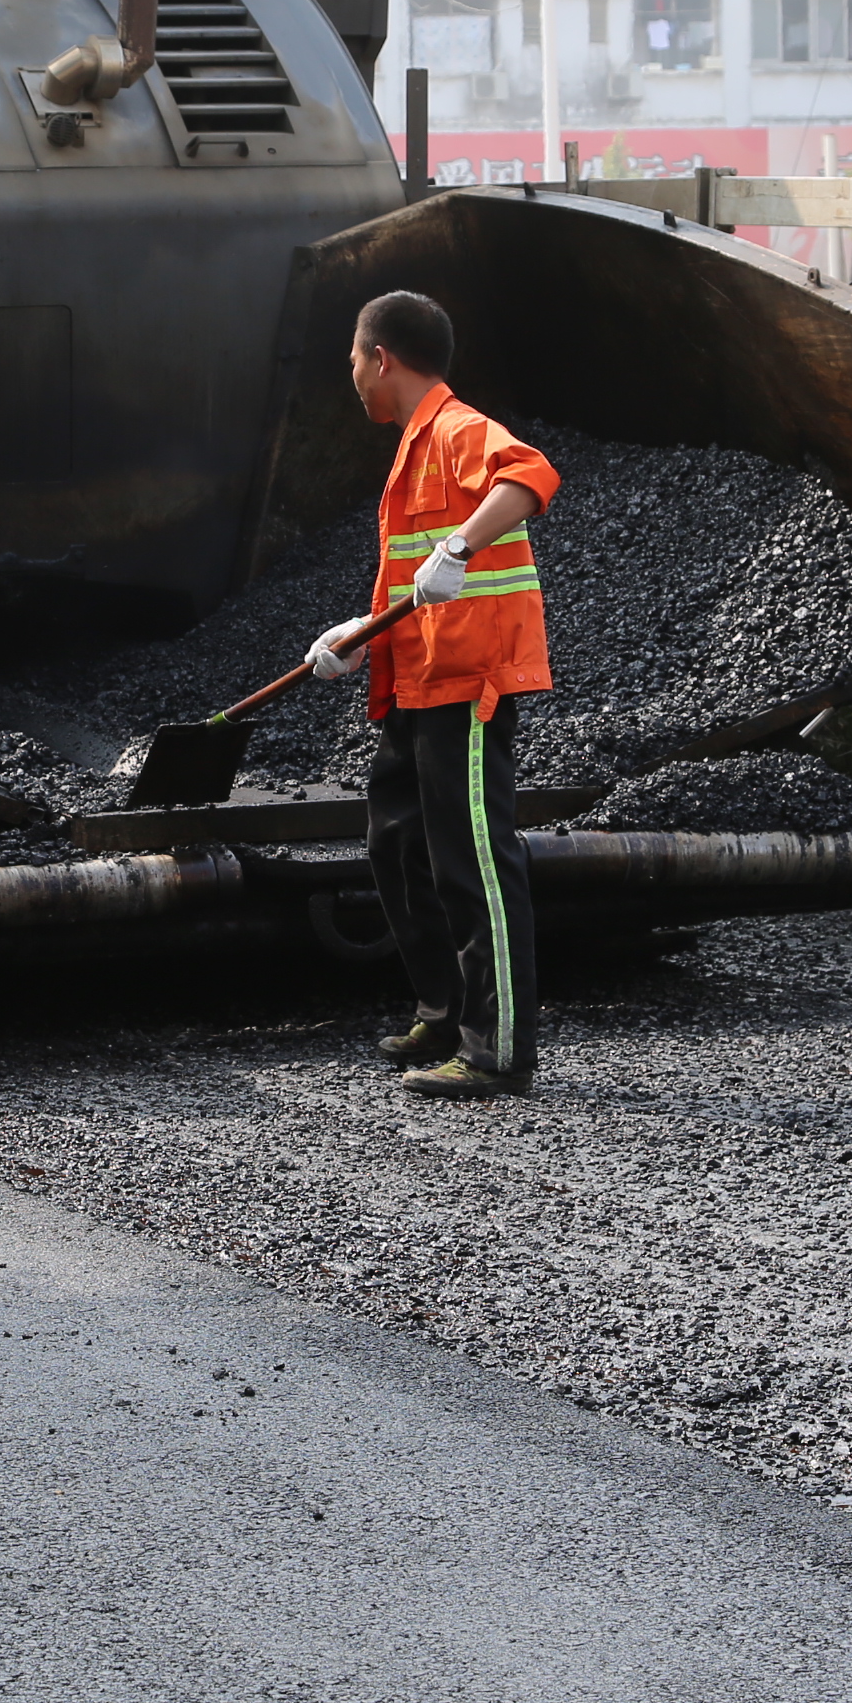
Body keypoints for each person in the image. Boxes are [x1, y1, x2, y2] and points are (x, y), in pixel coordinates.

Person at [306, 291, 561, 1098]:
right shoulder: (414, 447)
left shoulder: (455, 429)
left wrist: (460, 543)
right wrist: (358, 634)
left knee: (476, 860)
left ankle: (499, 1050)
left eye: (353, 358)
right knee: (396, 844)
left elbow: (530, 473)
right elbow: (413, 585)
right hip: (413, 681)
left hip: (469, 687)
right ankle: (444, 1008)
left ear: (381, 357)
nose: (351, 376)